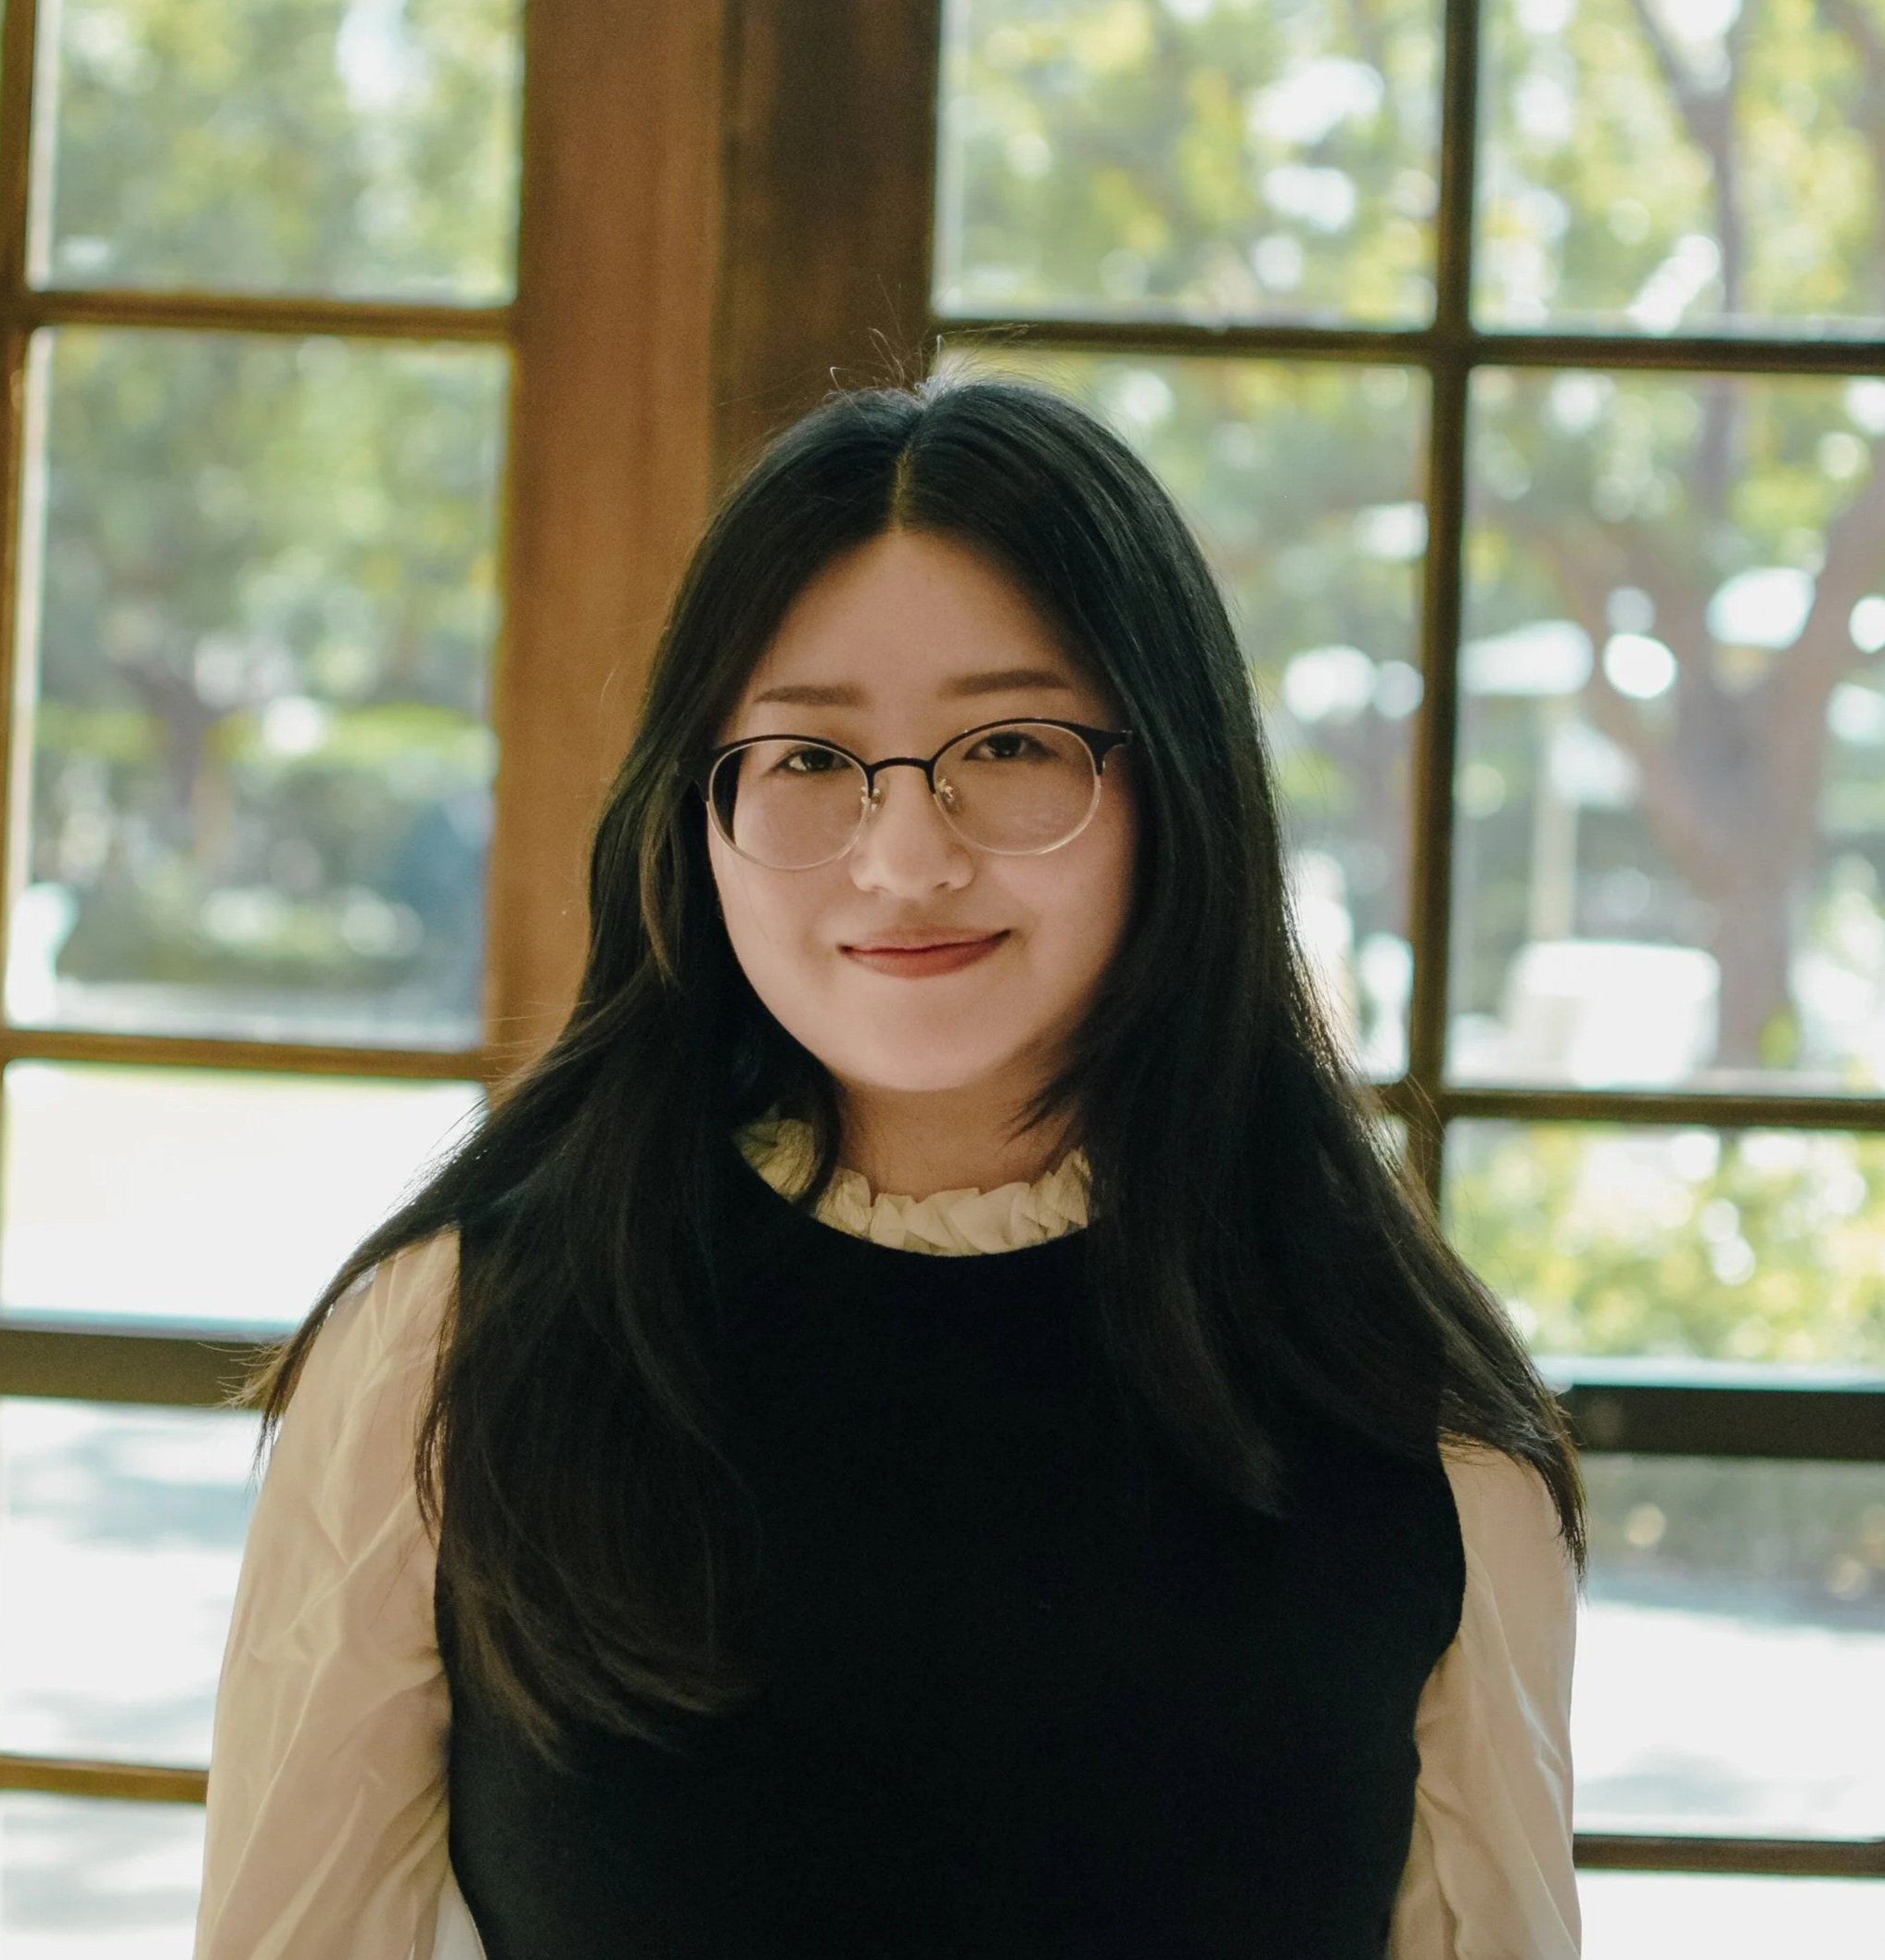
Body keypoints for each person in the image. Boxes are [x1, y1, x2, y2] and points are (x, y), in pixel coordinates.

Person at [194, 370, 1586, 1960]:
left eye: (1007, 742)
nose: (907, 856)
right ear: (696, 808)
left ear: (1178, 787)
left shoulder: (1404, 1409)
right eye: (805, 758)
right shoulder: (451, 1343)